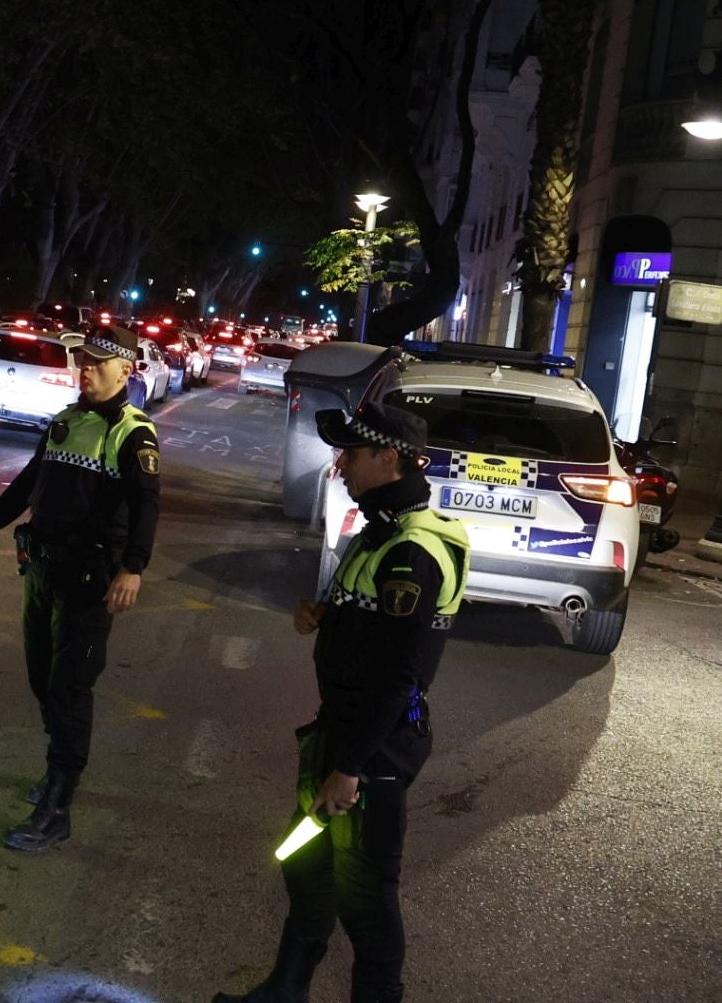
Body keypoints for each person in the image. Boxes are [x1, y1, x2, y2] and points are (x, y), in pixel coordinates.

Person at [212, 401, 468, 1003]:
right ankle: (286, 989)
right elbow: (372, 626)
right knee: (306, 867)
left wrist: (350, 768)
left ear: (389, 457)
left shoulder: (413, 550)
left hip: (373, 748)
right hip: (344, 730)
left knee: (366, 900)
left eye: (352, 452)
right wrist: (326, 617)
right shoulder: (379, 532)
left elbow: (399, 675)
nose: (341, 463)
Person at [0, 324, 160, 853]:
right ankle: (57, 774)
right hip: (44, 572)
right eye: (82, 361)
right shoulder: (65, 422)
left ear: (125, 371)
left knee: (70, 691)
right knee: (42, 680)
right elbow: (30, 482)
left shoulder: (133, 433)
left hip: (91, 582)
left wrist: (134, 567)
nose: (85, 369)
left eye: (97, 363)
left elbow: (146, 506)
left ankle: (58, 807)